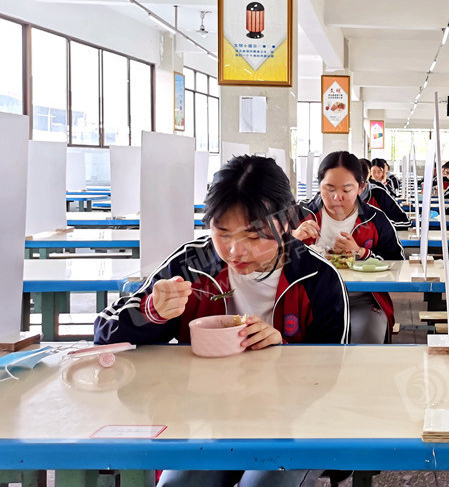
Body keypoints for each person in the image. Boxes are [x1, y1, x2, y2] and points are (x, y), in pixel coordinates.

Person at [95, 155, 348, 487]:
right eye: (223, 233)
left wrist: (283, 350)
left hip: (292, 421)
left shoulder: (317, 277)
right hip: (208, 417)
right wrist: (153, 311)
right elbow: (105, 333)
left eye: (254, 237)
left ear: (286, 223)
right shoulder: (191, 265)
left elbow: (335, 371)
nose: (235, 251)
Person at [294, 151, 404, 344]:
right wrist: (292, 240)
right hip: (307, 299)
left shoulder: (375, 219)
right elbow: (265, 261)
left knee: (367, 337)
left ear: (361, 188)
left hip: (361, 299)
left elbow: (398, 264)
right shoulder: (299, 215)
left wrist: (361, 252)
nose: (337, 197)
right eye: (329, 189)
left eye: (346, 190)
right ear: (319, 186)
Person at [359, 158, 411, 230]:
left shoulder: (378, 192)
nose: (376, 174)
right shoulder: (344, 200)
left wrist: (376, 226)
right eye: (374, 171)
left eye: (379, 171)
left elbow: (405, 221)